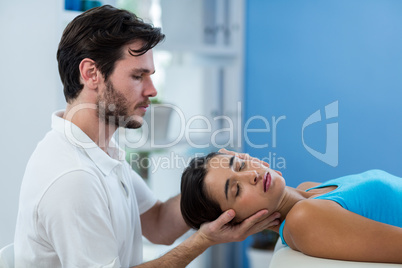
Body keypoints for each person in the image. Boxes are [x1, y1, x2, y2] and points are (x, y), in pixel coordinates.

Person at [13, 6, 280, 268]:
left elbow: (158, 223)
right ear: (91, 73)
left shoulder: (101, 150)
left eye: (150, 75)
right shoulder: (73, 178)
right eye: (138, 76)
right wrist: (203, 240)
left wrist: (218, 177)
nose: (152, 90)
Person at [180, 151, 402, 264]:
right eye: (236, 190)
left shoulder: (309, 190)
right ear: (234, 222)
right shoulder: (304, 219)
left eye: (240, 164)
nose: (251, 175)